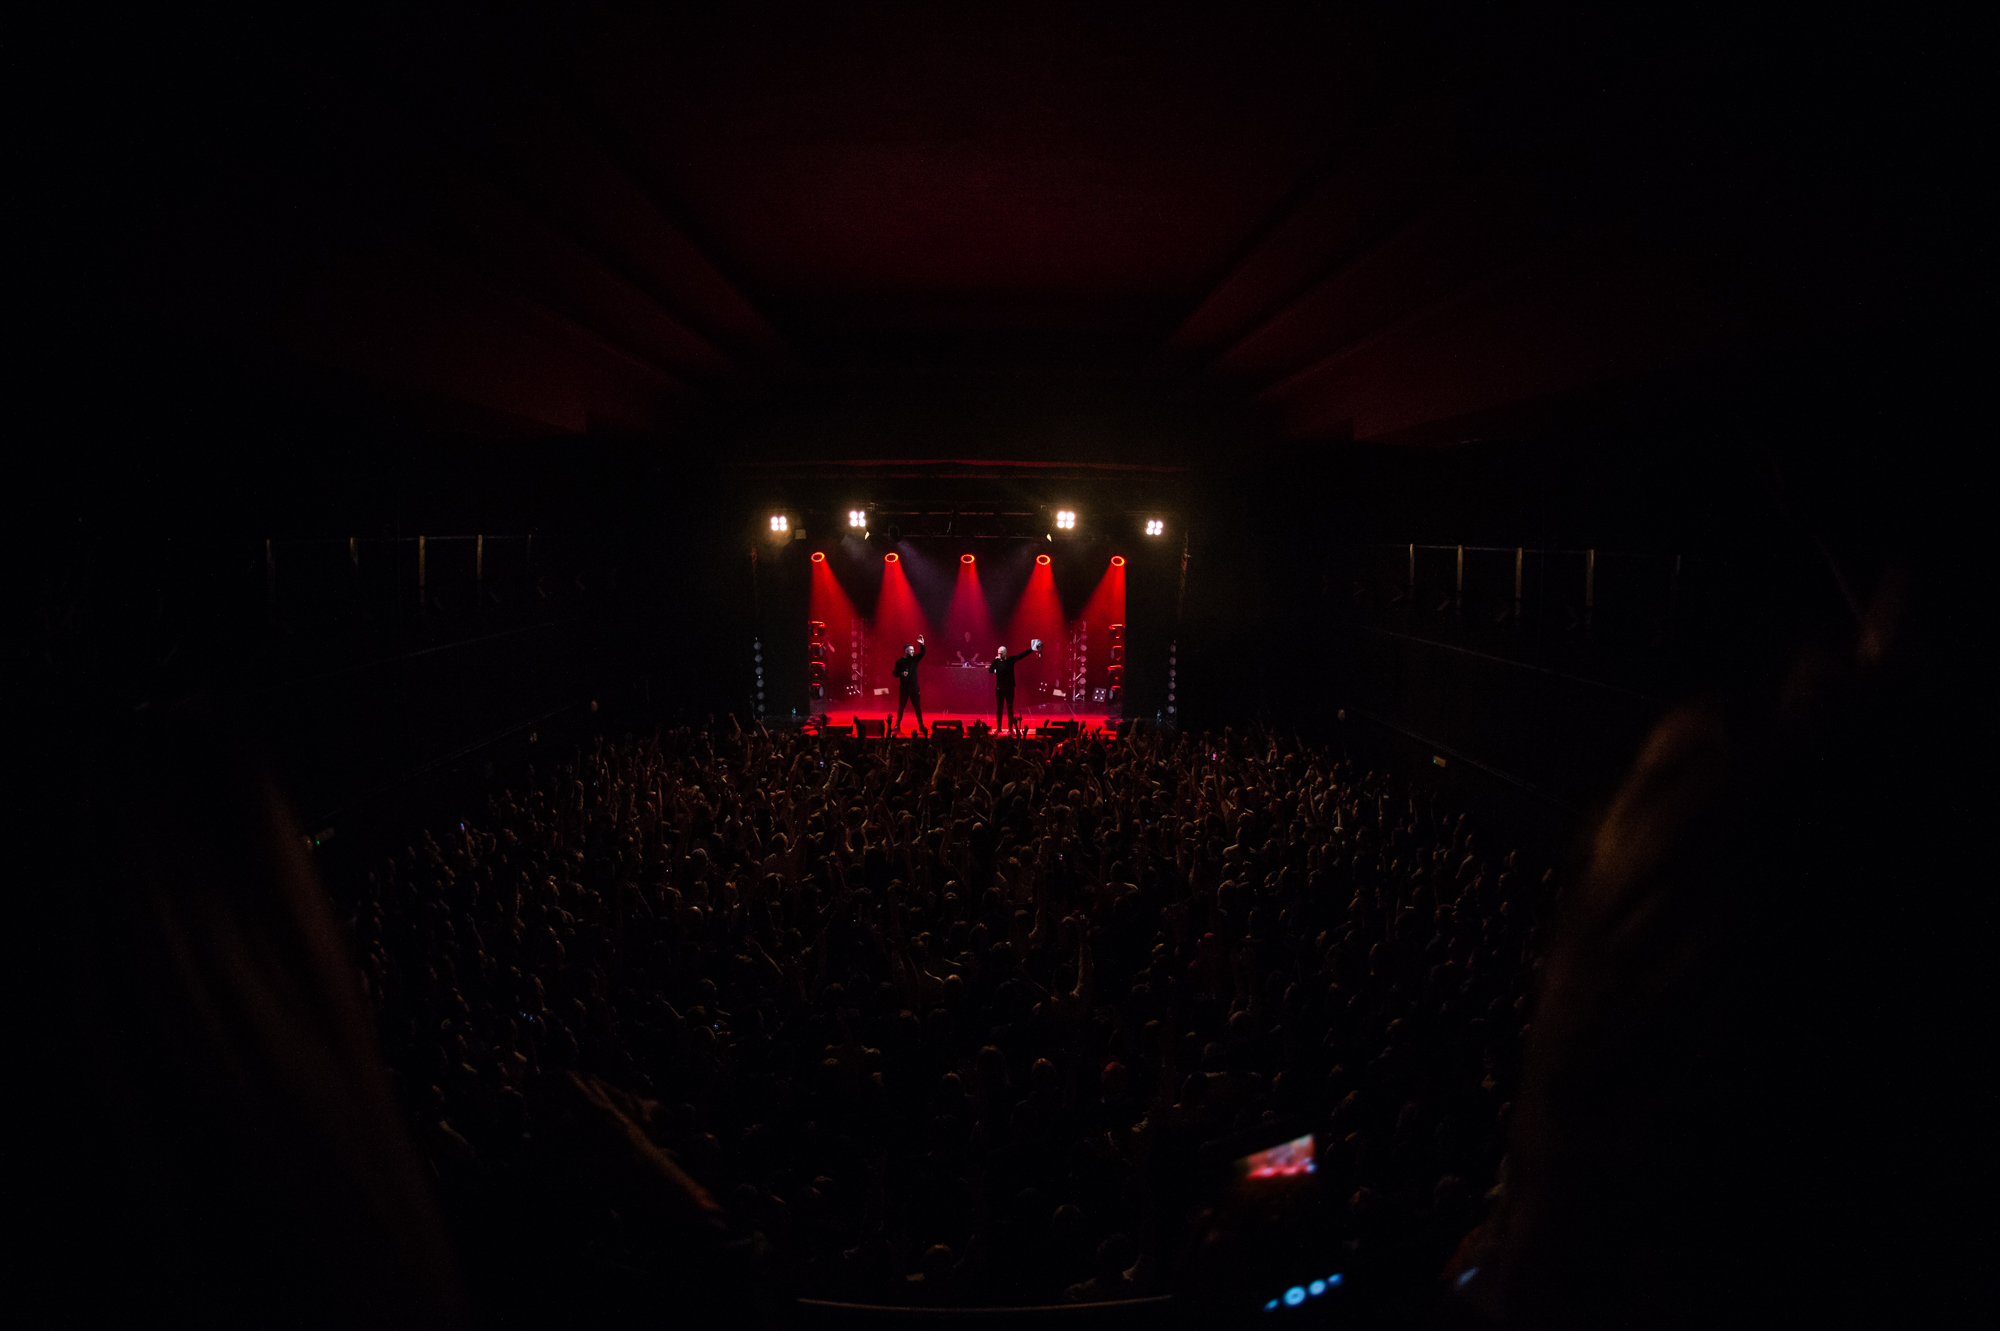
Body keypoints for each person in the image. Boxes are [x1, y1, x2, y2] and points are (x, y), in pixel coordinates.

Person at [987, 641, 1040, 734]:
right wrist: (994, 661)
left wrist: (1031, 649)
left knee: (1009, 708)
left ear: (1005, 653)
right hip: (1000, 688)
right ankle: (999, 727)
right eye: (999, 653)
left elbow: (1021, 655)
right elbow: (990, 671)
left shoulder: (1010, 660)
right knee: (999, 709)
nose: (1000, 655)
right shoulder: (996, 662)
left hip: (1009, 688)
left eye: (1001, 653)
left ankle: (1010, 728)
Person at [892, 635, 927, 735]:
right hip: (904, 688)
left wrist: (922, 644)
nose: (913, 651)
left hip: (914, 688)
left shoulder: (914, 659)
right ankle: (897, 724)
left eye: (913, 650)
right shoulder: (900, 662)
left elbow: (922, 653)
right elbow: (894, 673)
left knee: (917, 707)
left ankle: (921, 725)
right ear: (906, 651)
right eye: (911, 650)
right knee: (901, 707)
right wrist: (901, 674)